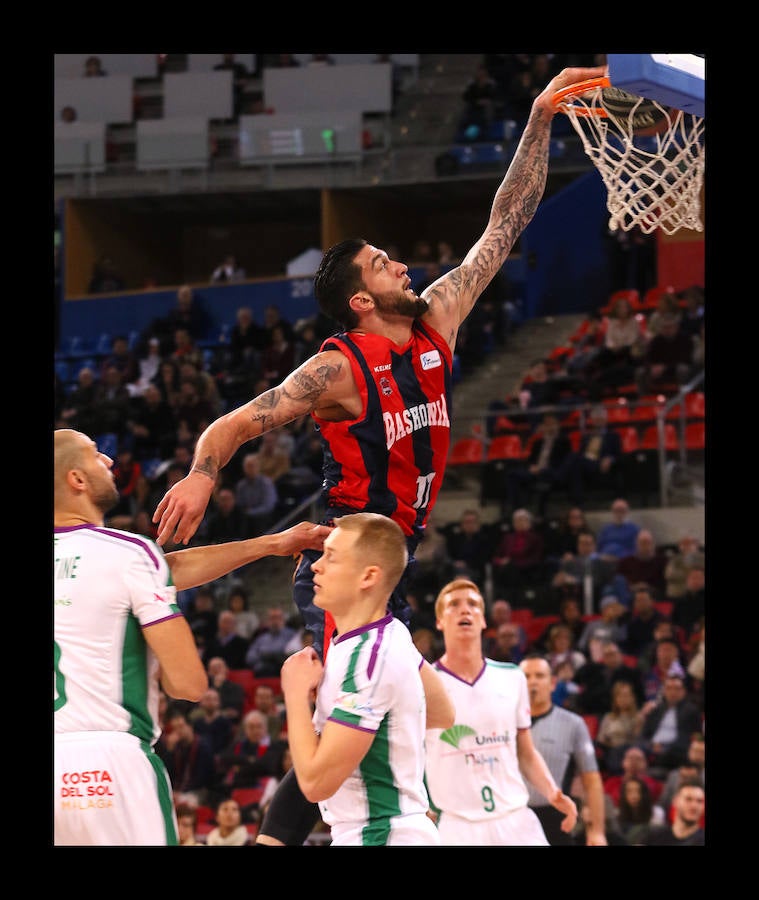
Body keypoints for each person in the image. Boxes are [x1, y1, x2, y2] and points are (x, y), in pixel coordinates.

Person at [152, 62, 608, 846]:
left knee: (412, 711)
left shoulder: (435, 321)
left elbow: (505, 226)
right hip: (343, 562)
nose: (401, 263)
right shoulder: (336, 368)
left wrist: (537, 118)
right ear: (360, 300)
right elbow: (231, 425)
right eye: (381, 263)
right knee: (342, 728)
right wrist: (201, 472)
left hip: (392, 560)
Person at [54, 428, 206, 847]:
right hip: (110, 766)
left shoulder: (130, 559)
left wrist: (268, 545)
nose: (107, 460)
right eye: (93, 454)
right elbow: (189, 684)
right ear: (77, 480)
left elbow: (174, 568)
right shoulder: (129, 552)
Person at [278, 513, 455, 845]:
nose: (316, 566)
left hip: (380, 832)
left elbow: (316, 784)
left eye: (332, 556)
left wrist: (294, 694)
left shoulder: (368, 660)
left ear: (368, 576)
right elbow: (443, 711)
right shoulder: (389, 634)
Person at [425, 578, 577, 845]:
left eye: (473, 604)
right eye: (454, 605)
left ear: (483, 621)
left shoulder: (512, 677)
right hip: (457, 826)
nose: (465, 610)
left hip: (515, 819)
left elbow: (525, 752)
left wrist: (552, 792)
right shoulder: (425, 683)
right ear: (439, 621)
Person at [519, 655, 607, 845]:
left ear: (552, 683)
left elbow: (592, 781)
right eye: (526, 676)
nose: (532, 681)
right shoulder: (503, 723)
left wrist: (597, 831)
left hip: (555, 818)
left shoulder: (573, 724)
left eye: (539, 676)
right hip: (513, 818)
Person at [642, 780, 705, 845]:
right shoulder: (653, 836)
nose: (694, 806)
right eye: (688, 799)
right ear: (675, 801)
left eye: (699, 801)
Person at [245, 606, 298, 677]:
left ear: (283, 619)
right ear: (267, 621)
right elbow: (249, 658)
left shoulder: (292, 635)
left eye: (278, 617)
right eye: (272, 618)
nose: (275, 621)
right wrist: (263, 656)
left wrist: (275, 656)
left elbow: (296, 653)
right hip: (264, 672)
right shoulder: (261, 638)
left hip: (285, 672)